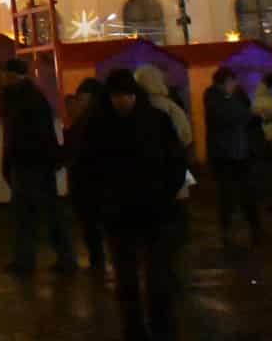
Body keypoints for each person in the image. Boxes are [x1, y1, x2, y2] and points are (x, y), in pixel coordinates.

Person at [73, 70, 189, 341]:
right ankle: (137, 327)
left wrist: (165, 193)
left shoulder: (152, 121)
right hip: (122, 212)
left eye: (126, 95)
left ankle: (158, 326)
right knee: (129, 277)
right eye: (117, 96)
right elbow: (84, 170)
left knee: (156, 274)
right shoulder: (99, 125)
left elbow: (175, 162)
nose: (122, 101)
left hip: (151, 209)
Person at [0, 58, 76, 273]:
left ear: (12, 75)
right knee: (43, 213)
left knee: (31, 215)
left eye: (3, 73)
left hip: (30, 163)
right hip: (33, 163)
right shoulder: (30, 97)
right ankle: (61, 257)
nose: (0, 77)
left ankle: (30, 260)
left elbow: (22, 135)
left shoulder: (19, 99)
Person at [202, 68, 263, 247]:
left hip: (238, 152)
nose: (235, 85)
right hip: (225, 155)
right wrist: (250, 114)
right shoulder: (214, 97)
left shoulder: (232, 96)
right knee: (228, 195)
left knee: (243, 193)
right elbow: (229, 116)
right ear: (225, 82)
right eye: (232, 82)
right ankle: (230, 231)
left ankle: (252, 228)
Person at [65, 78, 108, 271]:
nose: (79, 101)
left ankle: (98, 261)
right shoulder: (91, 119)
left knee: (92, 224)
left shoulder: (89, 121)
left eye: (82, 97)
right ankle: (98, 259)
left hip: (89, 180)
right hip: (91, 179)